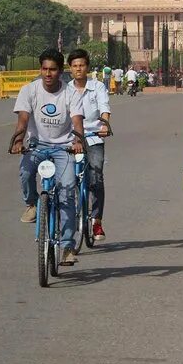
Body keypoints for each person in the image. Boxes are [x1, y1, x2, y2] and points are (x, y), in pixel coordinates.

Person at [10, 49, 85, 265]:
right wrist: (17, 141)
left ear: (61, 72)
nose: (48, 74)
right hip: (37, 145)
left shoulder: (71, 94)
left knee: (68, 191)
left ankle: (67, 246)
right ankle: (32, 204)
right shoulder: (29, 90)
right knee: (25, 172)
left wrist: (78, 141)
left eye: (52, 70)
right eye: (44, 69)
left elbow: (77, 120)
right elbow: (23, 120)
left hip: (64, 148)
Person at [67, 49, 111, 241]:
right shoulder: (65, 89)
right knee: (66, 181)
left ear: (87, 67)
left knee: (96, 177)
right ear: (70, 69)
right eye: (75, 66)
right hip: (70, 139)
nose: (79, 69)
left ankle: (97, 220)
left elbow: (104, 108)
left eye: (82, 65)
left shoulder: (98, 87)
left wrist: (104, 124)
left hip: (93, 136)